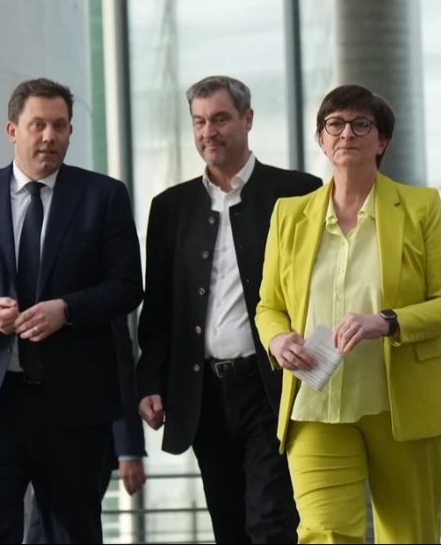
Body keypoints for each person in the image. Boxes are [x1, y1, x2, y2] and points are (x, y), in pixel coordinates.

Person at [0, 78, 143, 544]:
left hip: (76, 403)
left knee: (72, 534)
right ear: (12, 130)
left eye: (60, 126)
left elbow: (127, 287)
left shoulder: (104, 197)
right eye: (38, 125)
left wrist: (66, 310)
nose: (49, 136)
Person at [255, 84, 441, 543]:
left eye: (361, 124)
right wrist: (277, 340)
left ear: (382, 141)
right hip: (316, 402)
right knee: (324, 534)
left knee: (410, 535)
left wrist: (386, 321)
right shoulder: (288, 215)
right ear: (322, 139)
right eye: (335, 123)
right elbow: (268, 305)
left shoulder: (420, 207)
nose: (346, 133)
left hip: (402, 403)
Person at [136, 75, 320, 543]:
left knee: (271, 519)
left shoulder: (298, 192)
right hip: (201, 394)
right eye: (199, 122)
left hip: (271, 387)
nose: (207, 132)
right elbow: (157, 309)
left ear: (248, 119)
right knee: (228, 522)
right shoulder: (170, 207)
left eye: (220, 118)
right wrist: (151, 383)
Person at [24, 316, 147, 544]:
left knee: (61, 528)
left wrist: (128, 448)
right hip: (31, 424)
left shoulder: (97, 285)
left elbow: (118, 357)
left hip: (84, 431)